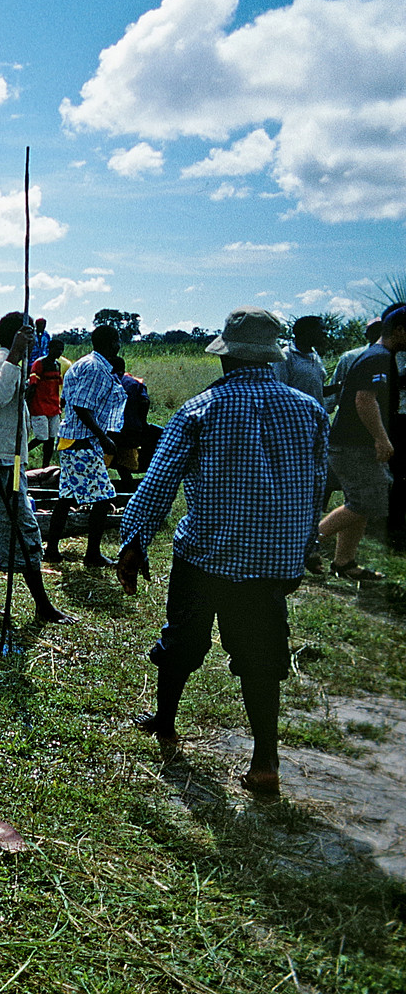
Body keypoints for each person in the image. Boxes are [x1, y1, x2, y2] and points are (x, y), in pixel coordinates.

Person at [118, 306, 328, 799]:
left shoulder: (199, 410)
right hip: (269, 564)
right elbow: (315, 489)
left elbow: (157, 485)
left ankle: (165, 722)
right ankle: (265, 762)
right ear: (270, 358)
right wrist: (303, 551)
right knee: (261, 657)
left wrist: (134, 542)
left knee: (183, 641)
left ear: (225, 359)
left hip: (206, 555)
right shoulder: (309, 410)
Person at [0, 311, 75, 626]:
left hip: (4, 463)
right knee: (24, 532)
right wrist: (16, 354)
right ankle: (43, 606)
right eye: (28, 337)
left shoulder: (7, 363)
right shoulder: (4, 361)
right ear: (17, 337)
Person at [317, 304, 406, 579]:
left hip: (354, 445)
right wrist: (382, 439)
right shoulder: (378, 357)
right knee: (368, 500)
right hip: (353, 445)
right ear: (400, 331)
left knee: (362, 501)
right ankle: (305, 544)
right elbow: (364, 400)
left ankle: (344, 563)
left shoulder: (379, 355)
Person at [44, 325, 125, 567]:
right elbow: (81, 405)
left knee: (66, 497)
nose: (119, 345)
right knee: (103, 498)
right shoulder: (95, 368)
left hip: (73, 440)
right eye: (117, 340)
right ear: (111, 343)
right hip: (81, 442)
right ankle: (92, 555)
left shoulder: (88, 364)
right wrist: (102, 437)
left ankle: (52, 551)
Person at [110, 355, 158, 487]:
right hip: (131, 428)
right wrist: (142, 421)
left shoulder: (106, 381)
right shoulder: (135, 383)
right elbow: (145, 401)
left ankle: (125, 485)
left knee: (108, 458)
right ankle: (128, 484)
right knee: (125, 457)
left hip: (109, 429)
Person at [325, 317, 382, 412]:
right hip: (354, 413)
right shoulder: (350, 357)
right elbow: (335, 386)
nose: (378, 334)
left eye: (381, 329)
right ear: (366, 335)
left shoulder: (399, 356)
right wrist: (326, 411)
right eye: (373, 330)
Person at [26, 339, 65, 468]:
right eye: (57, 349)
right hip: (39, 406)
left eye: (61, 349)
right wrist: (28, 404)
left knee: (51, 439)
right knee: (41, 437)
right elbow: (32, 386)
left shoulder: (57, 365)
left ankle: (45, 466)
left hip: (53, 407)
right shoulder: (39, 364)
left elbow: (57, 386)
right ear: (50, 348)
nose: (59, 352)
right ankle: (22, 453)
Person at [273, 315, 326, 401]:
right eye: (321, 329)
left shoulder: (315, 356)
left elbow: (318, 391)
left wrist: (340, 385)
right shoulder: (286, 356)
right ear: (308, 332)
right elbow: (279, 391)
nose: (325, 332)